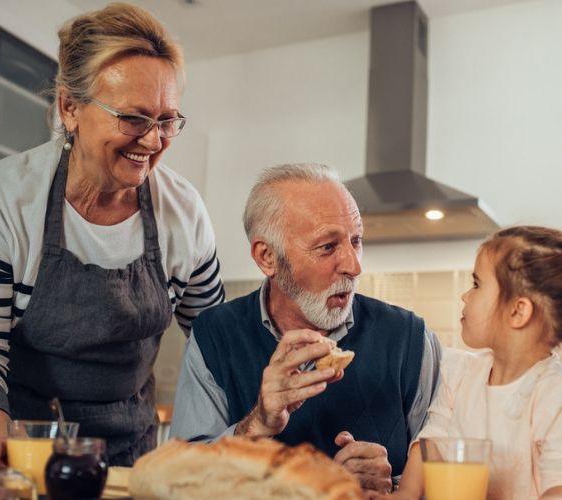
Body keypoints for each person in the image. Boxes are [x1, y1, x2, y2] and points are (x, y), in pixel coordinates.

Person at [0, 3, 224, 466]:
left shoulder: (184, 211)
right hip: (9, 439)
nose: (153, 142)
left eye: (167, 120)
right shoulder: (4, 199)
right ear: (70, 108)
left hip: (120, 451)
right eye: (133, 118)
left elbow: (217, 343)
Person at [170, 164, 442, 494]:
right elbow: (180, 484)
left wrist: (395, 488)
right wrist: (257, 424)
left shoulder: (411, 341)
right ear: (267, 257)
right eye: (327, 247)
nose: (354, 266)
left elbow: (448, 478)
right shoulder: (214, 337)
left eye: (356, 241)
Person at [385, 227, 562, 500]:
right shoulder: (460, 374)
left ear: (518, 311)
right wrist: (406, 493)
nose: (465, 296)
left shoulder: (557, 398)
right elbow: (431, 443)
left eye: (477, 284)